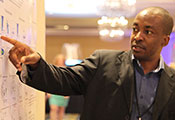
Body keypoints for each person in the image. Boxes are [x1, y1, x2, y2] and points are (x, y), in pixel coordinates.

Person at [1, 6, 175, 120]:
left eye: (148, 31)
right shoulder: (104, 62)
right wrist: (36, 64)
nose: (137, 37)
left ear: (165, 40)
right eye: (135, 29)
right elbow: (63, 79)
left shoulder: (171, 81)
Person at [47, 54, 69, 120]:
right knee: (53, 109)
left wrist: (68, 93)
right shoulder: (52, 68)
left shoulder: (67, 69)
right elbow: (49, 81)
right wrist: (48, 92)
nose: (60, 61)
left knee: (61, 110)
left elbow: (68, 82)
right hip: (53, 92)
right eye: (59, 60)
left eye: (61, 60)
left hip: (63, 92)